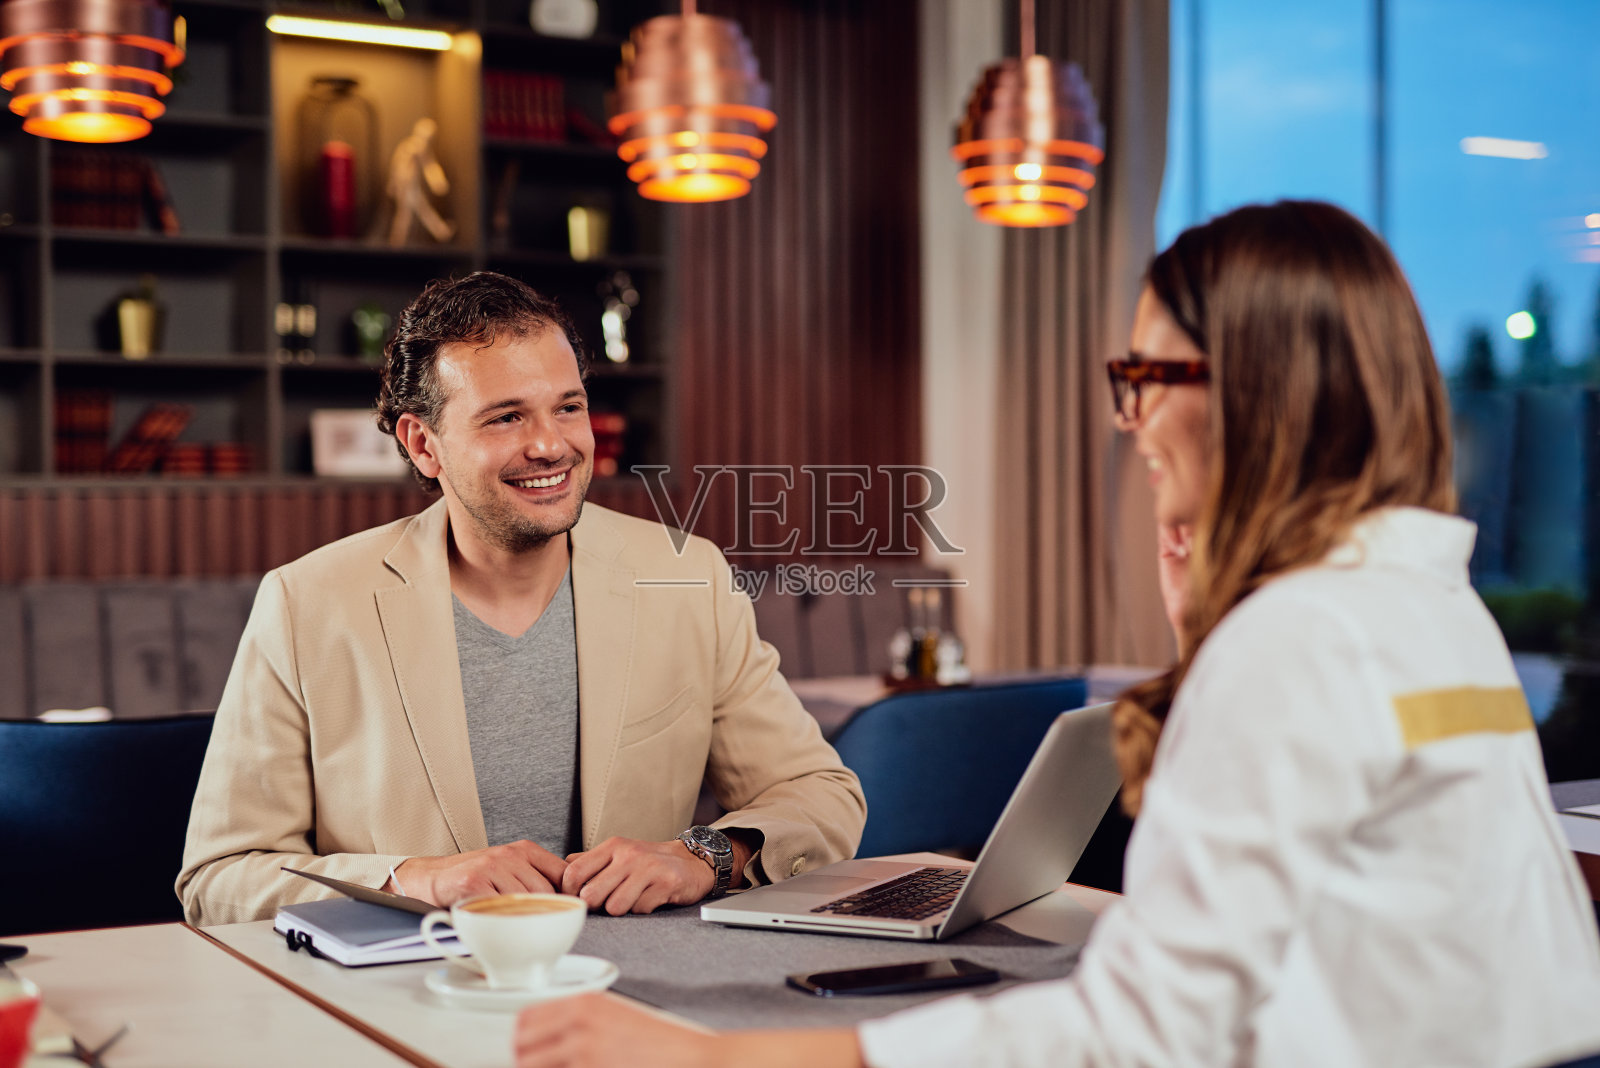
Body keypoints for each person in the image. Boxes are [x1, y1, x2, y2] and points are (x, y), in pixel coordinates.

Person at [509, 201, 1600, 1067]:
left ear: (1250, 394)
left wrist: (722, 1063)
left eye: (1142, 378)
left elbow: (1139, 1037)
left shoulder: (1296, 639)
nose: (1128, 424)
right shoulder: (1433, 612)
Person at [178, 271, 865, 926]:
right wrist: (414, 878)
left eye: (568, 407)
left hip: (639, 996)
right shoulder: (306, 603)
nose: (551, 445)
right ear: (424, 444)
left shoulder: (688, 576)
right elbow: (220, 877)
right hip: (408, 1002)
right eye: (506, 417)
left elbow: (821, 797)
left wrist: (705, 857)